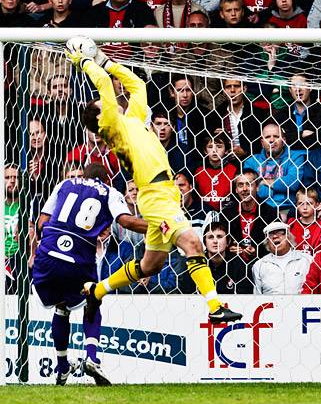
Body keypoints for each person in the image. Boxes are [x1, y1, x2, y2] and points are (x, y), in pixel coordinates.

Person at [68, 39, 242, 324]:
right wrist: (86, 61)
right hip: (155, 195)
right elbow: (105, 87)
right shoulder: (111, 127)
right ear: (99, 118)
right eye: (105, 105)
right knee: (192, 243)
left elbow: (137, 85)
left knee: (151, 265)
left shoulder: (131, 121)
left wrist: (105, 59)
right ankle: (214, 306)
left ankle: (97, 290)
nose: (113, 102)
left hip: (166, 193)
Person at [33, 163, 147, 385]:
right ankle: (92, 357)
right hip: (78, 257)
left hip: (48, 253)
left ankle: (63, 365)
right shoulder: (109, 192)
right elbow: (126, 221)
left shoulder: (64, 183)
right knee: (92, 299)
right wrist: (160, 226)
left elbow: (41, 223)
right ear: (107, 180)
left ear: (84, 176)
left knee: (61, 307)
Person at [218, 169, 279, 265]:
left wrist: (257, 252)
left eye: (249, 184)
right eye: (240, 185)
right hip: (233, 266)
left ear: (257, 187)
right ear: (236, 190)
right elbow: (220, 240)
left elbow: (277, 243)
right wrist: (229, 249)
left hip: (263, 264)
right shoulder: (226, 214)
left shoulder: (271, 213)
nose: (245, 189)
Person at [243, 122, 304, 216]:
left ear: (283, 140)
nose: (271, 140)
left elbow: (292, 183)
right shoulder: (251, 161)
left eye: (276, 136)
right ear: (262, 143)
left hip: (286, 209)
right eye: (267, 137)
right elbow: (249, 188)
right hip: (260, 210)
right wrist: (276, 186)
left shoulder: (295, 157)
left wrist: (263, 182)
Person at [252, 221, 312, 295]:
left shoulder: (306, 260)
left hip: (299, 305)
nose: (275, 236)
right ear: (267, 242)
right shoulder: (259, 265)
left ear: (289, 237)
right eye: (270, 234)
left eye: (280, 232)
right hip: (272, 306)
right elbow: (257, 296)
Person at [202, 221, 253, 294]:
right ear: (205, 243)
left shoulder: (239, 265)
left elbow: (245, 296)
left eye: (219, 237)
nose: (215, 241)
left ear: (228, 242)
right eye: (211, 237)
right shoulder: (198, 264)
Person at [194, 134, 238, 211]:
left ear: (226, 150)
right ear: (205, 151)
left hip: (227, 213)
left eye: (219, 146)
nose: (214, 150)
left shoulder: (233, 169)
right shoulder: (198, 171)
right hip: (204, 213)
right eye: (210, 147)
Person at [287, 188, 321, 256]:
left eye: (309, 203)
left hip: (314, 263)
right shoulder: (291, 224)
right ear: (296, 205)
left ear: (317, 205)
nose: (305, 207)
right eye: (301, 203)